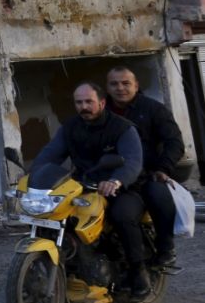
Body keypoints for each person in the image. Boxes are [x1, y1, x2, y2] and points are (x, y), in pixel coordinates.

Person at [30, 82, 150, 299]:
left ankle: (138, 273)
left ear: (102, 103)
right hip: (84, 185)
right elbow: (50, 154)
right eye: (79, 102)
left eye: (88, 102)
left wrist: (116, 181)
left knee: (122, 216)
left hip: (122, 187)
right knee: (58, 216)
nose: (83, 106)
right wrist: (33, 174)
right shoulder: (70, 127)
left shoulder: (122, 128)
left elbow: (133, 162)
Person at [106, 65, 185, 269]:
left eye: (126, 83)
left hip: (149, 174)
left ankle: (166, 248)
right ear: (107, 87)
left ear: (136, 85)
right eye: (114, 84)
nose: (120, 88)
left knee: (158, 195)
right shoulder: (102, 112)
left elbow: (174, 142)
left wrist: (163, 168)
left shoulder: (153, 109)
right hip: (115, 177)